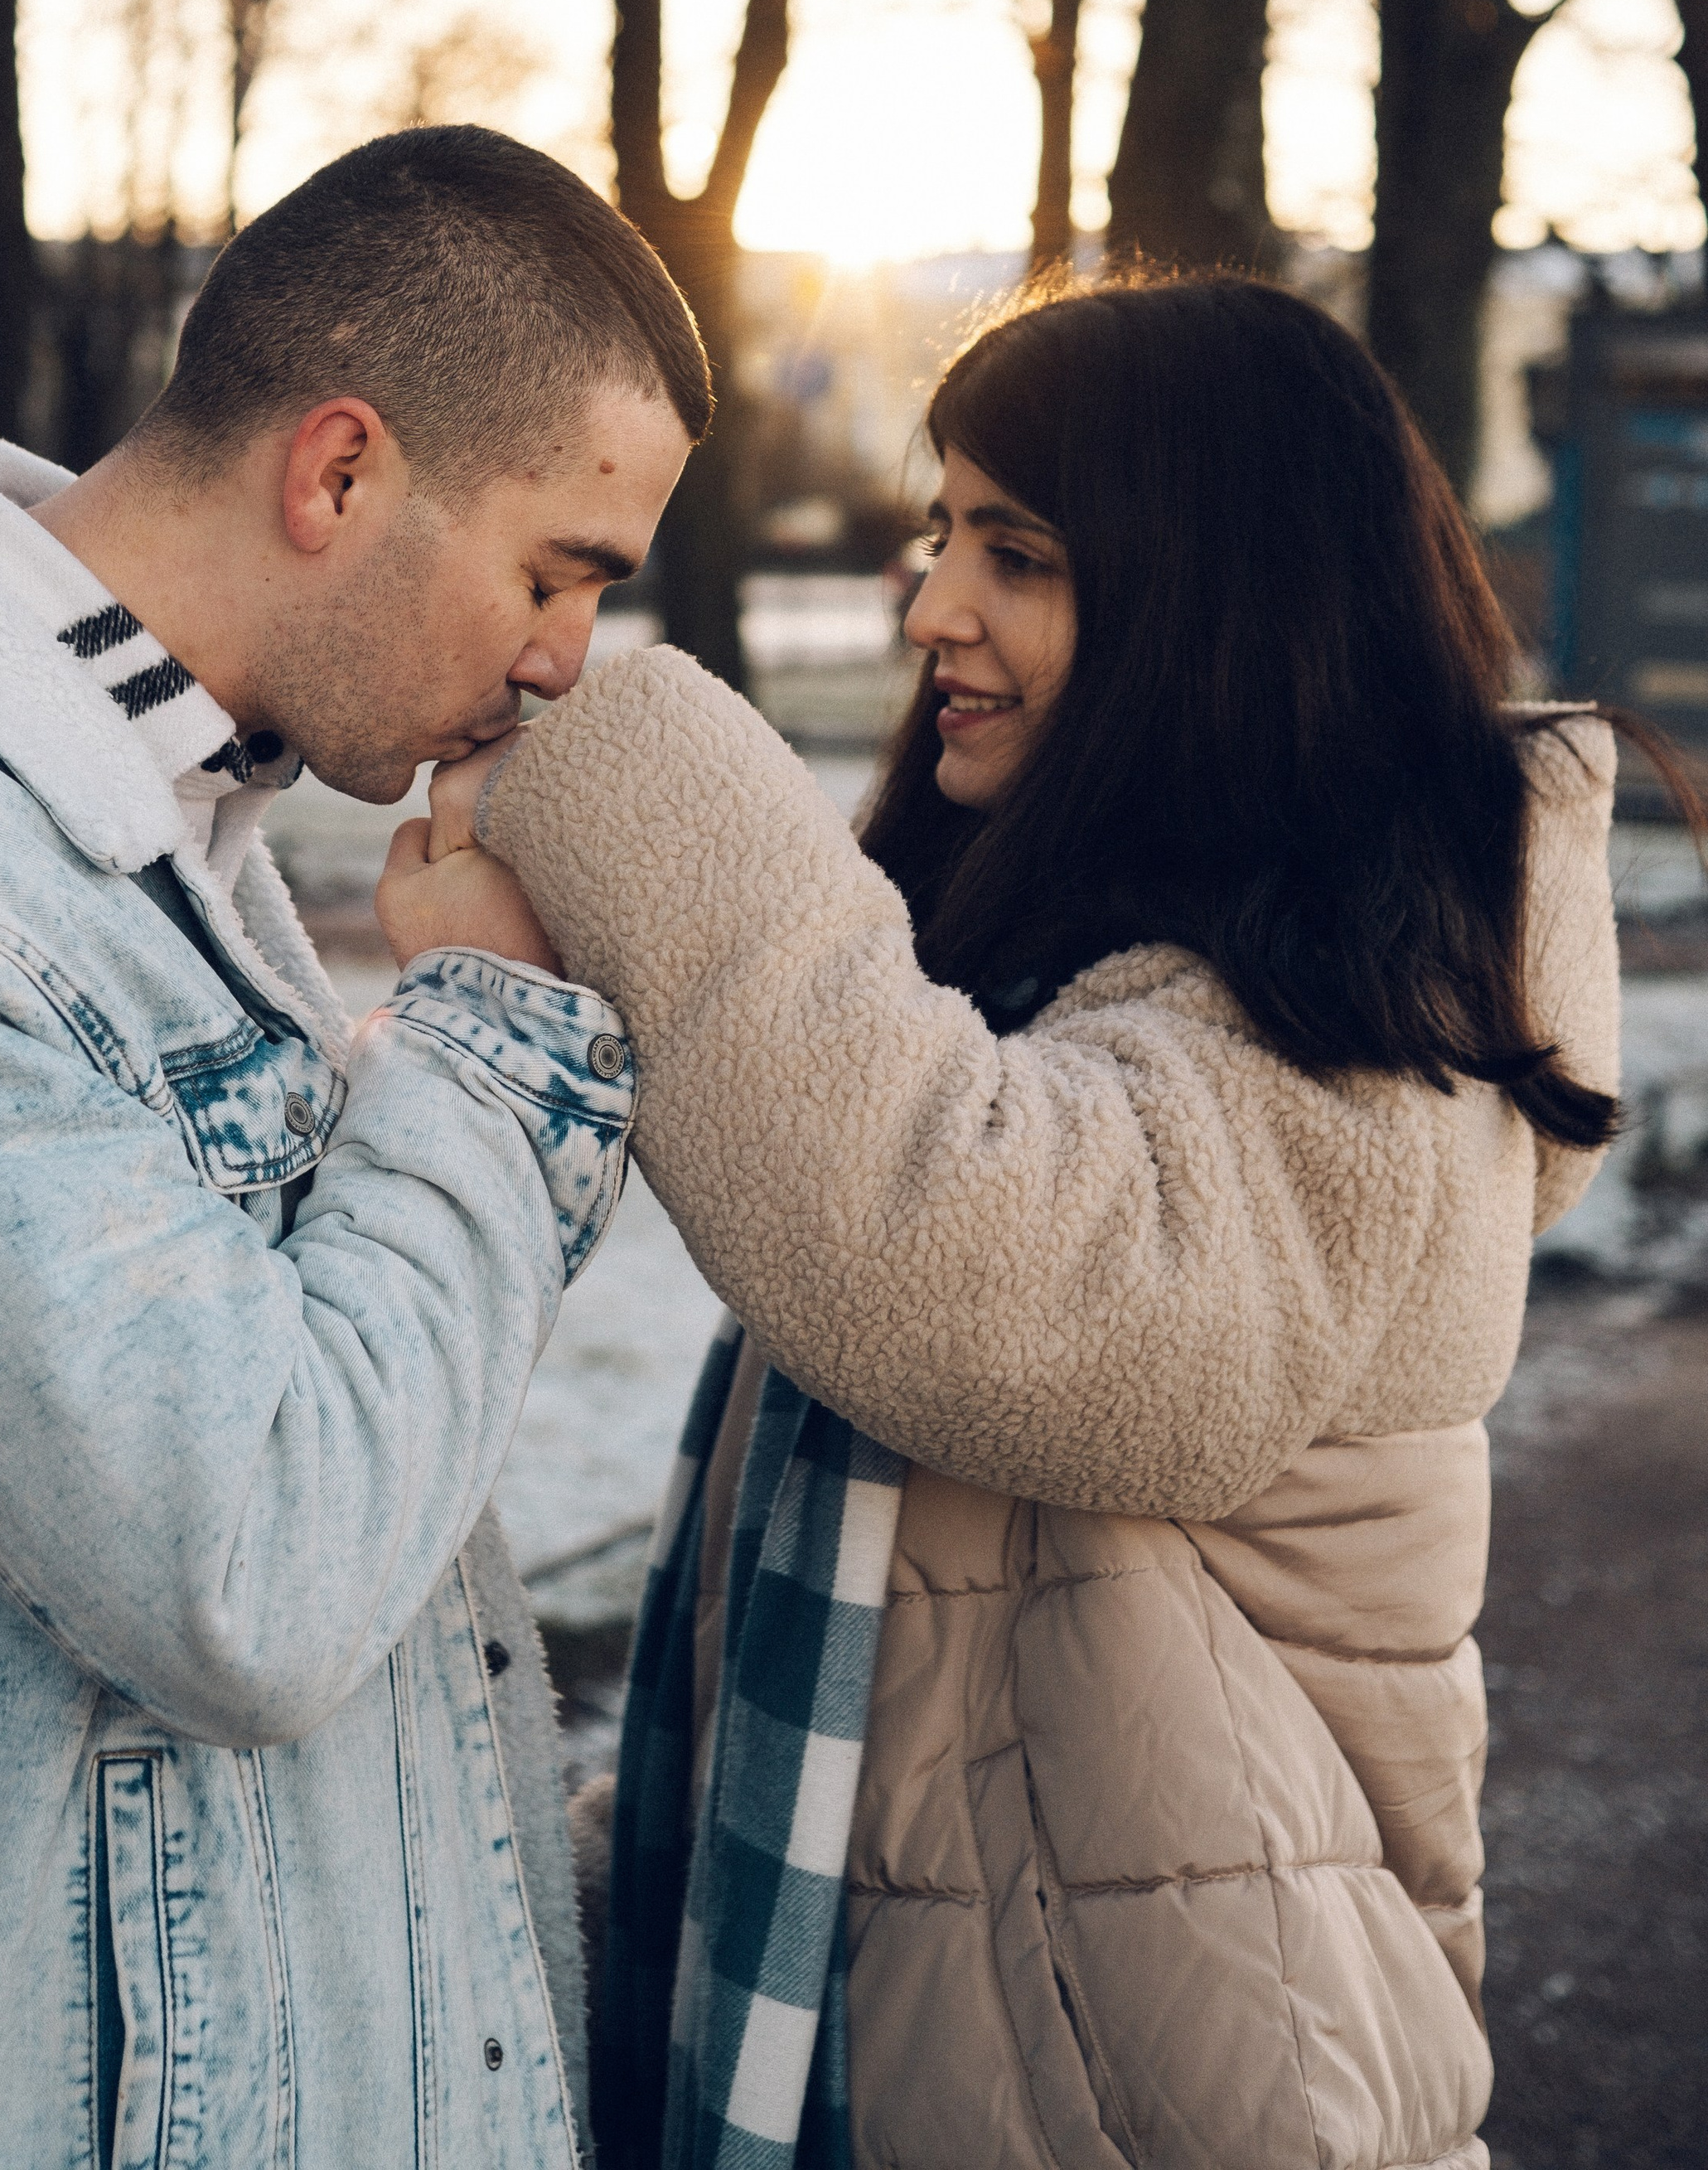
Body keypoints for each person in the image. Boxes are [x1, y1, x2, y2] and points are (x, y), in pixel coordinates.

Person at [390, 271, 1649, 2170]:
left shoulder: (1368, 1052)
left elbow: (963, 1259)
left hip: (1190, 2099)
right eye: (935, 532)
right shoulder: (1095, 999)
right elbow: (895, 1654)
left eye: (1020, 552)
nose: (929, 612)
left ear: (1224, 604)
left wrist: (615, 753)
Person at [0, 124, 708, 2170]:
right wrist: (478, 1047)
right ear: (340, 470)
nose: (561, 656)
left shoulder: (129, 812)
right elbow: (255, 1569)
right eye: (553, 571)